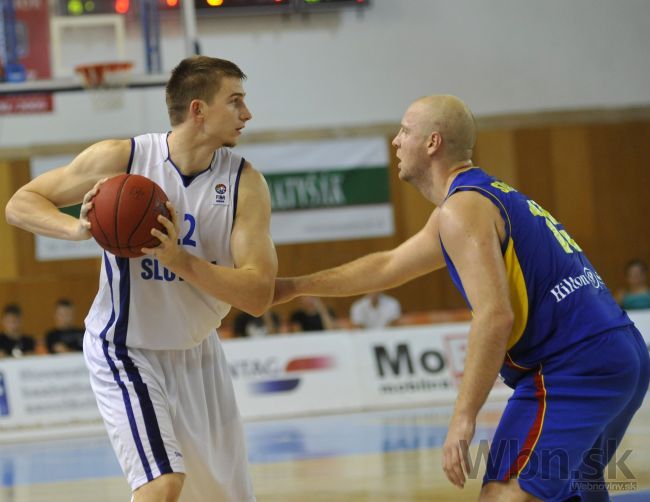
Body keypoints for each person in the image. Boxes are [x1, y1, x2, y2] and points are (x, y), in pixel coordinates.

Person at [273, 95, 649, 501]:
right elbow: (387, 266)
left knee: (502, 494)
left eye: (404, 131)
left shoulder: (462, 210)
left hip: (572, 365)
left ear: (433, 143)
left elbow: (495, 316)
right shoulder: (478, 199)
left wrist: (463, 417)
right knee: (574, 493)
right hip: (622, 352)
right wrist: (294, 286)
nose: (395, 142)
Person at [5, 55, 277, 502]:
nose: (246, 114)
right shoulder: (125, 157)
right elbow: (20, 203)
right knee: (162, 484)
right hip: (125, 347)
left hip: (198, 355)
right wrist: (79, 227)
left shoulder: (246, 184)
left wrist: (178, 259)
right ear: (198, 110)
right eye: (236, 102)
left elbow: (259, 294)